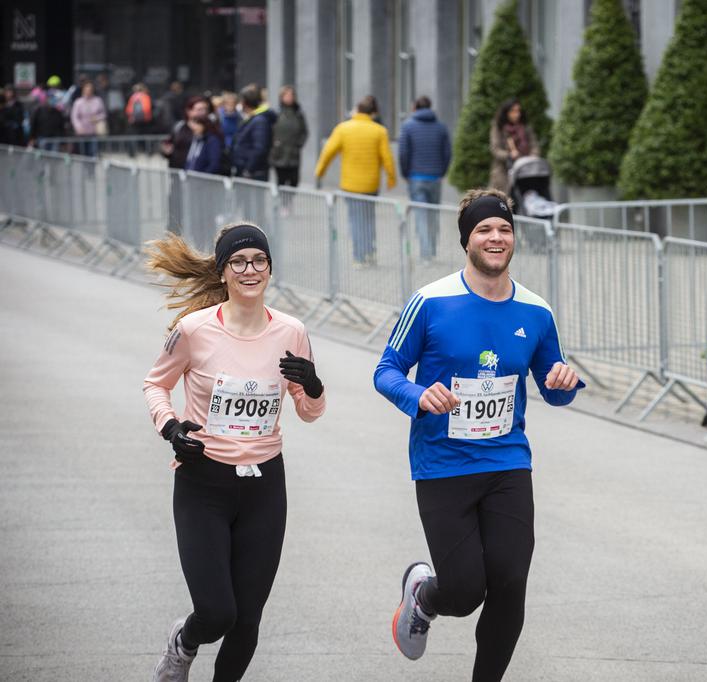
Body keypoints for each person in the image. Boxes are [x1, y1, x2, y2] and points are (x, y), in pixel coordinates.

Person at [374, 188, 583, 681]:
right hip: (442, 463)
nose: (496, 237)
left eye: (504, 229)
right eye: (485, 229)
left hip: (507, 461)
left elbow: (552, 382)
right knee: (465, 591)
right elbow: (386, 371)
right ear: (466, 239)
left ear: (515, 238)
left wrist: (564, 383)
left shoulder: (536, 310)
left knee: (510, 581)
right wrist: (418, 396)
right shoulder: (430, 302)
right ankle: (424, 595)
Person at [143, 223, 326, 682]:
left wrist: (314, 385)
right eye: (239, 262)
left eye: (259, 261)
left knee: (247, 620)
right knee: (217, 612)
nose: (250, 270)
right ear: (223, 272)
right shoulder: (193, 330)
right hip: (203, 482)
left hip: (264, 485)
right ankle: (182, 643)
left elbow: (308, 411)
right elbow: (156, 384)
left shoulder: (292, 331)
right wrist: (169, 426)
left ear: (270, 269)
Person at [315, 95, 396, 265]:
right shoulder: (379, 130)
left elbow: (328, 152)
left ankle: (359, 257)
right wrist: (391, 178)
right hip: (371, 184)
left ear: (357, 110)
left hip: (350, 185)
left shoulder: (343, 128)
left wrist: (319, 173)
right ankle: (370, 252)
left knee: (355, 220)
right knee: (368, 218)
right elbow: (387, 158)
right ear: (371, 113)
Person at [399, 95, 452, 261]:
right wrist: (442, 172)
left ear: (414, 108)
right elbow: (448, 153)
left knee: (421, 215)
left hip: (416, 178)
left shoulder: (408, 126)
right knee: (433, 215)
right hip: (435, 178)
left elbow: (403, 153)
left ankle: (425, 254)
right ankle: (432, 250)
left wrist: (405, 173)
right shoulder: (441, 127)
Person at [489, 99, 539, 193]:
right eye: (513, 111)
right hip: (504, 171)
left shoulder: (525, 126)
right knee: (505, 199)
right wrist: (509, 155)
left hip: (525, 170)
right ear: (506, 113)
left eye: (518, 111)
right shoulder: (499, 127)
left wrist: (533, 156)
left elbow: (534, 144)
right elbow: (495, 149)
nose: (517, 114)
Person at [232, 84, 276, 182]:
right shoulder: (253, 118)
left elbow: (260, 148)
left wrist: (248, 169)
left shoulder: (259, 121)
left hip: (253, 173)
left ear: (244, 102)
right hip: (247, 170)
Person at [269, 85, 308, 191]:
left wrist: (298, 144)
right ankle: (282, 205)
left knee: (293, 182)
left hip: (293, 154)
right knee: (281, 182)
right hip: (279, 154)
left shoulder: (298, 114)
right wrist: (275, 145)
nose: (290, 97)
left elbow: (304, 132)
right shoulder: (276, 113)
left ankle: (288, 205)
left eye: (291, 95)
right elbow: (270, 131)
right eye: (287, 95)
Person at [183, 104, 225, 175]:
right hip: (191, 178)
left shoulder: (212, 141)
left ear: (204, 125)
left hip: (203, 181)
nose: (193, 127)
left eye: (197, 124)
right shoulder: (195, 139)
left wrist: (203, 178)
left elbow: (214, 164)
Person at [69, 80, 106, 157]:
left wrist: (97, 118)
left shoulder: (98, 100)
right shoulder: (78, 102)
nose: (88, 91)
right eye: (87, 89)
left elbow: (103, 114)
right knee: (83, 155)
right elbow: (74, 117)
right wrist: (78, 127)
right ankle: (83, 169)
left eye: (90, 90)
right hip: (82, 132)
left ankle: (92, 169)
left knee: (93, 153)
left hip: (94, 132)